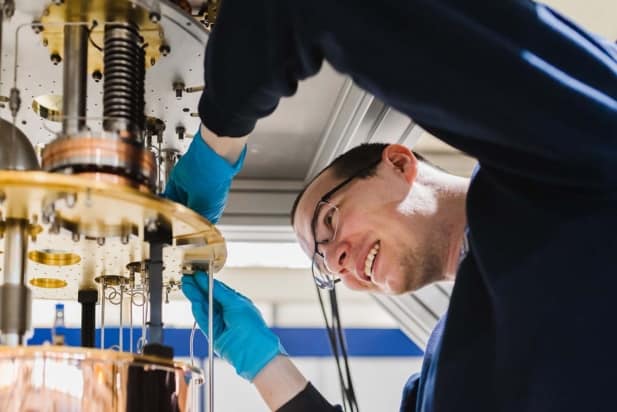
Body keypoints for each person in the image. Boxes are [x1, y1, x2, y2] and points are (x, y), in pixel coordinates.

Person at [166, 1, 617, 411]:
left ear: (399, 163)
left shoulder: (545, 165)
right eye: (325, 266)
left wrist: (219, 141)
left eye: (330, 219)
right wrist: (264, 364)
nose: (337, 262)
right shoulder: (438, 375)